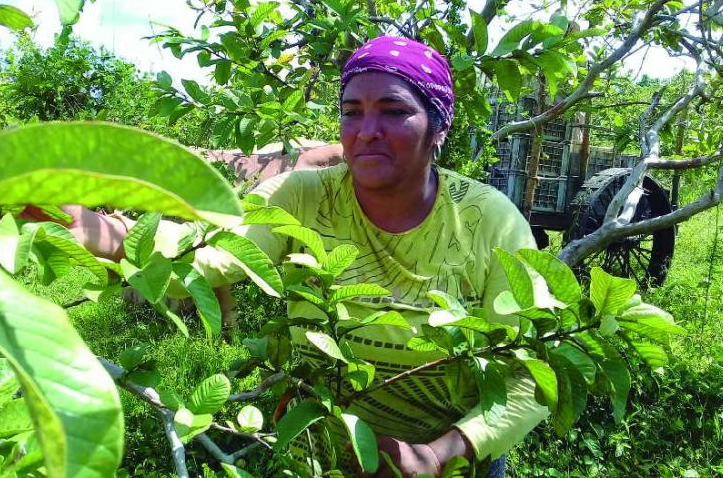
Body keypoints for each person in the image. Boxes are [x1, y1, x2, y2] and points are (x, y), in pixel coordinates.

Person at [52, 36, 549, 477]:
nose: (366, 129)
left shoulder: (490, 222)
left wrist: (442, 453)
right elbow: (211, 256)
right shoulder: (301, 197)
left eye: (394, 111)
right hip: (322, 450)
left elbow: (531, 371)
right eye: (351, 111)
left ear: (438, 127)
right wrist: (105, 234)